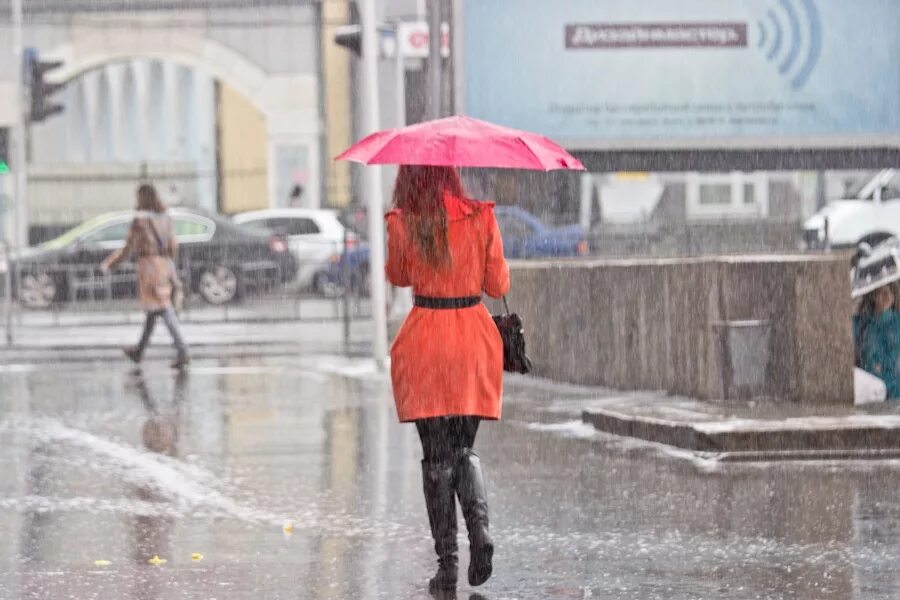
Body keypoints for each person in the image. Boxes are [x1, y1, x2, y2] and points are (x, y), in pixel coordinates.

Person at [385, 165, 510, 592]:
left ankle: (448, 565)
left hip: (426, 341)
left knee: (436, 458)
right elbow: (497, 284)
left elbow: (399, 275)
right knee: (463, 448)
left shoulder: (404, 221)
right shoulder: (481, 216)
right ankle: (481, 532)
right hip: (472, 341)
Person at [101, 184, 190, 369]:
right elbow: (173, 244)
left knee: (162, 308)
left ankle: (182, 350)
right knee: (154, 309)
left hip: (149, 267)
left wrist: (110, 264)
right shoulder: (165, 216)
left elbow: (128, 247)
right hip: (164, 263)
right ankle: (140, 350)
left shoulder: (141, 220)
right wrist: (166, 261)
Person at [853, 281, 900, 399]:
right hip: (868, 390)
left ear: (893, 297)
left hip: (891, 392)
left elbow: (894, 356)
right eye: (880, 292)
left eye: (888, 292)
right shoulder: (863, 322)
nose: (885, 296)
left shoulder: (896, 322)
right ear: (873, 297)